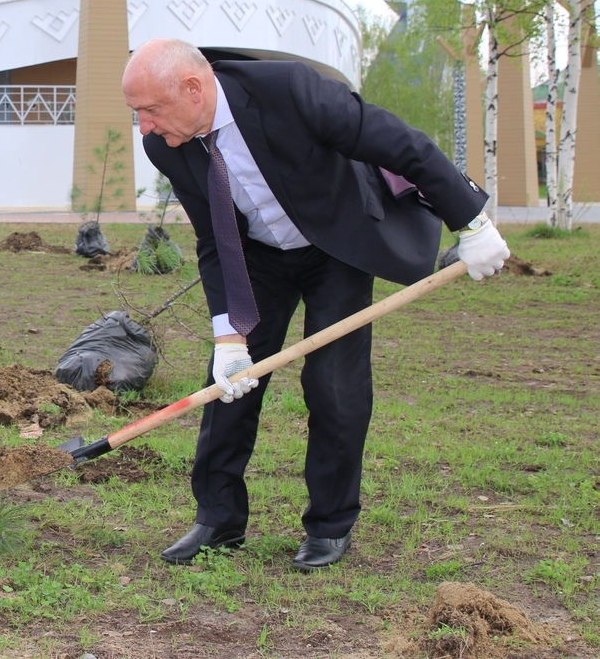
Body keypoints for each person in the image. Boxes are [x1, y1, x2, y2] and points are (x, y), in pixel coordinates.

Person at [122, 38, 510, 571]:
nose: (144, 127)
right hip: (256, 258)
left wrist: (471, 222)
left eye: (150, 110)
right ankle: (218, 519)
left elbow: (403, 144)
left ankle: (330, 524)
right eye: (137, 113)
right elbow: (214, 237)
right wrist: (229, 336)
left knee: (334, 384)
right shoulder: (166, 144)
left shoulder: (288, 89)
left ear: (193, 88)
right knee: (228, 385)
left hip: (335, 246)